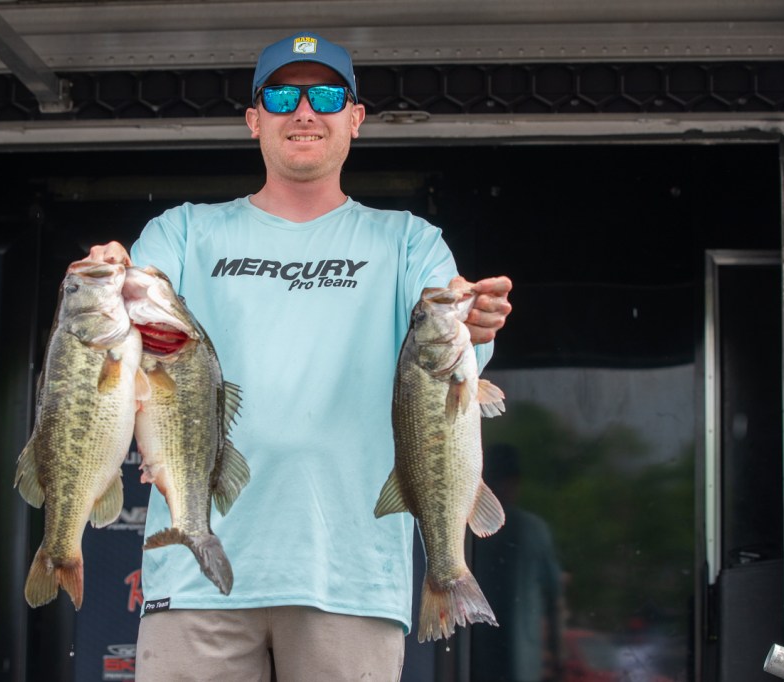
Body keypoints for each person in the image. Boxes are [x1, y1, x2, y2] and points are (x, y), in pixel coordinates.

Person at [89, 31, 513, 681]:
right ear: (254, 119)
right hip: (196, 574)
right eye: (283, 96)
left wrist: (477, 323)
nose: (305, 111)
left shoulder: (410, 242)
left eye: (327, 96)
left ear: (356, 118)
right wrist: (107, 279)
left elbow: (446, 342)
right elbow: (124, 330)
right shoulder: (182, 231)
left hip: (350, 576)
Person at [471, 444, 565, 682]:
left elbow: (554, 599)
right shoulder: (532, 530)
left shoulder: (471, 530)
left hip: (481, 659)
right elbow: (554, 598)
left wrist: (557, 656)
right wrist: (557, 657)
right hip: (504, 660)